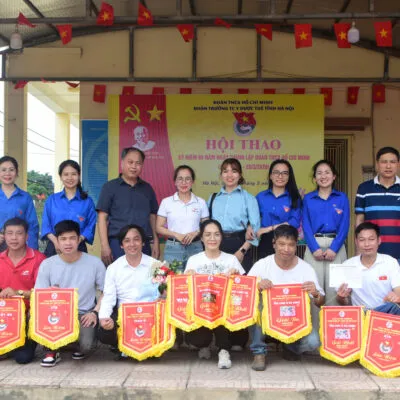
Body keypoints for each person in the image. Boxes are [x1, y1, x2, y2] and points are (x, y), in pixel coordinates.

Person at [247, 225, 325, 371]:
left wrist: (316, 293)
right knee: (258, 302)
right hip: (267, 322)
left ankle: (290, 346)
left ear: (296, 245)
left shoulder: (305, 268)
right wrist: (257, 286)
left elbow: (320, 302)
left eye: (291, 245)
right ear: (274, 244)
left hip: (293, 323)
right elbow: (245, 293)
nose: (286, 249)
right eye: (282, 244)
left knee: (313, 342)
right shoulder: (263, 265)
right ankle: (259, 352)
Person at [34, 220, 106, 367]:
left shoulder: (94, 263)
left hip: (83, 314)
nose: (68, 243)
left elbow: (107, 292)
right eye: (63, 239)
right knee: (35, 315)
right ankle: (52, 349)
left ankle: (70, 344)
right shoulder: (47, 264)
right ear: (57, 241)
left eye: (72, 238)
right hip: (56, 314)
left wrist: (94, 312)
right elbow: (39, 295)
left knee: (86, 346)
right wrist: (49, 293)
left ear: (79, 239)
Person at [184, 219, 248, 369]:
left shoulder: (231, 259)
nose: (212, 239)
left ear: (221, 237)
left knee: (221, 312)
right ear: (201, 238)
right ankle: (203, 345)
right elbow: (185, 291)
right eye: (208, 235)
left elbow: (245, 289)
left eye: (216, 234)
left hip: (224, 310)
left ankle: (223, 350)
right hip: (202, 310)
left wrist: (236, 276)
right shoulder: (194, 260)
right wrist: (188, 277)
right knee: (198, 338)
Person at [97, 224, 160, 356]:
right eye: (127, 241)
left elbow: (164, 293)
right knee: (104, 333)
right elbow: (108, 297)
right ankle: (121, 345)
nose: (132, 244)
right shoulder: (113, 268)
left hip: (150, 315)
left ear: (143, 242)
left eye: (136, 239)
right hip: (124, 315)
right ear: (121, 245)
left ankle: (149, 346)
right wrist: (104, 318)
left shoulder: (156, 265)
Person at [97, 147, 159, 265]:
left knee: (145, 275)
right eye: (130, 162)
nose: (134, 166)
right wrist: (104, 245)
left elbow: (152, 217)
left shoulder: (147, 189)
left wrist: (155, 241)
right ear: (122, 163)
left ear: (142, 166)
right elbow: (102, 218)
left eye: (138, 163)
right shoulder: (109, 187)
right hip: (117, 244)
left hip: (142, 244)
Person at [303, 160, 350, 304]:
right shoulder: (308, 198)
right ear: (315, 178)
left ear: (334, 176)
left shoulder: (342, 198)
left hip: (336, 245)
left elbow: (345, 225)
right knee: (313, 290)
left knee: (335, 290)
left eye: (327, 172)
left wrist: (334, 248)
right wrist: (314, 248)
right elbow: (306, 225)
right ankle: (314, 320)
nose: (323, 176)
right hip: (314, 245)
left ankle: (333, 319)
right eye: (319, 173)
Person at [0, 218, 46, 364]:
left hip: (28, 316)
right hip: (4, 315)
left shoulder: (39, 259)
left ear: (27, 236)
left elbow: (43, 295)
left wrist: (18, 293)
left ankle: (13, 346)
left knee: (22, 358)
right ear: (4, 236)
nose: (14, 238)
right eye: (10, 233)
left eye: (19, 233)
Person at [208, 158, 260, 273]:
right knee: (217, 281)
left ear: (240, 175)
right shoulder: (213, 198)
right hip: (216, 244)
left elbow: (255, 229)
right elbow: (206, 225)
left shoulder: (248, 198)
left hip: (239, 244)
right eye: (225, 171)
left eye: (234, 171)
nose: (229, 175)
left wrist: (242, 251)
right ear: (221, 175)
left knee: (239, 282)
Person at [336, 222, 400, 315]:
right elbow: (344, 302)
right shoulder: (348, 265)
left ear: (379, 240)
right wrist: (341, 297)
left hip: (386, 313)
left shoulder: (390, 262)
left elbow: (398, 292)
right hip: (361, 314)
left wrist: (394, 298)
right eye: (362, 240)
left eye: (371, 239)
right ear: (356, 242)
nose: (367, 244)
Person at [156, 165, 208, 272]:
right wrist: (176, 234)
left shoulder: (201, 202)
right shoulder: (166, 202)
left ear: (192, 182)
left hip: (195, 246)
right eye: (180, 179)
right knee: (172, 278)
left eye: (187, 179)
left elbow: (206, 226)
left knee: (196, 278)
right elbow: (158, 227)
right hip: (173, 247)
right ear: (175, 182)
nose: (184, 182)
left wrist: (195, 233)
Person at [41, 160, 97, 257]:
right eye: (66, 174)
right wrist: (56, 242)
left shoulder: (87, 201)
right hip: (54, 247)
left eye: (73, 174)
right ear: (60, 177)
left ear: (79, 175)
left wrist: (77, 240)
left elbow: (90, 226)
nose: (70, 178)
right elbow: (46, 226)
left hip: (78, 246)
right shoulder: (52, 200)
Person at [355, 146, 400, 262]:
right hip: (372, 254)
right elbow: (360, 221)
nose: (388, 166)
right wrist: (358, 250)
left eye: (392, 162)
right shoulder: (364, 188)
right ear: (377, 164)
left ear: (398, 164)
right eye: (384, 162)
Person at [256, 159, 301, 260]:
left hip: (287, 241)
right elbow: (253, 218)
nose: (280, 176)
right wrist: (251, 227)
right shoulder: (261, 197)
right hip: (265, 240)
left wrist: (269, 228)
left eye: (284, 173)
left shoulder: (294, 198)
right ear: (270, 176)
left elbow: (294, 222)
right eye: (276, 172)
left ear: (289, 177)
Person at [0, 156, 39, 251]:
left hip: (19, 247)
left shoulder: (25, 197)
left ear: (17, 173)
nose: (7, 173)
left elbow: (32, 226)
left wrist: (32, 250)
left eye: (11, 170)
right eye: (3, 170)